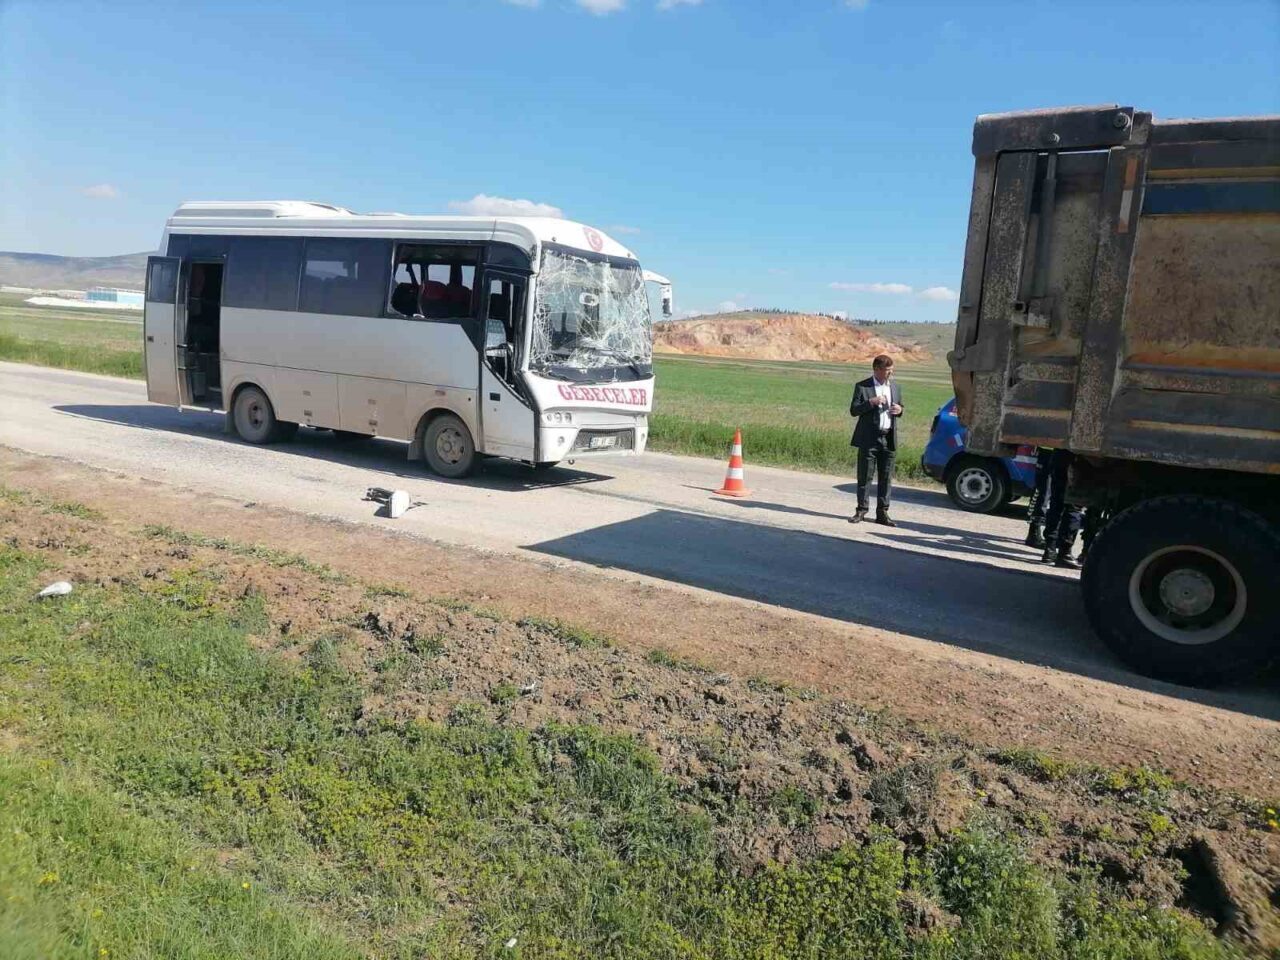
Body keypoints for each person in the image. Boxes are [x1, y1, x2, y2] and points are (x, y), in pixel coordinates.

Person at [848, 354, 904, 526]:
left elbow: (900, 406)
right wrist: (871, 402)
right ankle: (861, 510)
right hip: (869, 438)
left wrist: (899, 410)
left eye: (891, 370)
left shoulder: (895, 387)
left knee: (886, 477)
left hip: (888, 438)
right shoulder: (863, 386)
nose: (890, 373)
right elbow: (854, 410)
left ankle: (882, 513)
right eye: (887, 370)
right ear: (877, 369)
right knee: (865, 476)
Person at [1040, 449, 1084, 568]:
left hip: (1060, 456)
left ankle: (1049, 549)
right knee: (1073, 507)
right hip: (1077, 460)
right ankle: (1064, 553)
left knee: (1056, 504)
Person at [1024, 446, 1054, 548]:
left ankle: (1040, 533)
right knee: (1042, 492)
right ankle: (1034, 532)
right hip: (1048, 450)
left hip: (1056, 450)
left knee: (1046, 492)